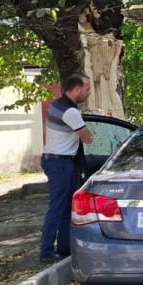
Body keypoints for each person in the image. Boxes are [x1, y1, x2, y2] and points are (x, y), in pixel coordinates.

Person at [40, 74, 94, 263]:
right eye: (87, 89)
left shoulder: (57, 104)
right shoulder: (71, 112)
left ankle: (64, 248)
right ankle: (46, 251)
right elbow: (88, 138)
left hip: (55, 160)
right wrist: (90, 134)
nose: (89, 92)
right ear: (76, 90)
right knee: (57, 207)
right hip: (60, 163)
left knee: (66, 207)